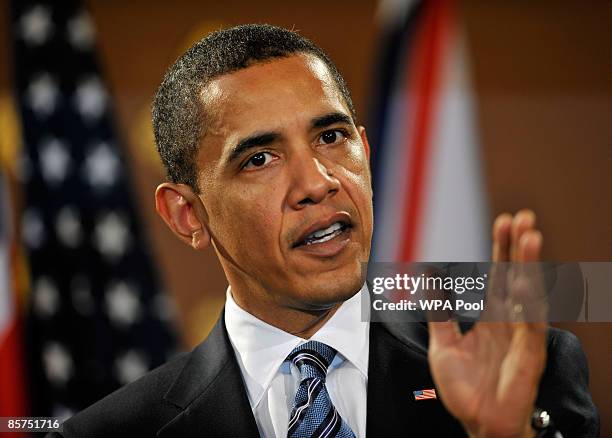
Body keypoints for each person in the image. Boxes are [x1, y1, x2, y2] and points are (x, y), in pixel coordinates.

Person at [50, 24, 598, 437]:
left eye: (332, 137)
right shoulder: (111, 433)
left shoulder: (532, 374)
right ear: (187, 215)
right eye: (260, 158)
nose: (317, 182)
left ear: (365, 148)